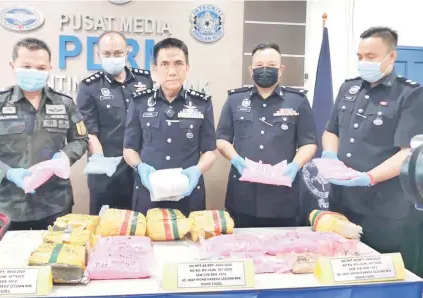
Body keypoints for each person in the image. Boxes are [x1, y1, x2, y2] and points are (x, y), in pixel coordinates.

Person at [322, 27, 423, 272]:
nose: (363, 62)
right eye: (359, 56)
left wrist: (369, 177)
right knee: (342, 270)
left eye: (371, 57)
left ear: (391, 57)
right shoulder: (349, 89)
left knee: (387, 275)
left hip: (386, 209)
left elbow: (407, 152)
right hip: (343, 204)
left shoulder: (410, 94)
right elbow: (331, 131)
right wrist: (330, 155)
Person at [0, 38, 89, 230]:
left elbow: (80, 139)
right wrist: (8, 173)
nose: (34, 72)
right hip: (7, 206)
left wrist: (64, 156)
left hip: (55, 204)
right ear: (13, 66)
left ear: (49, 68)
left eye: (40, 68)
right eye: (26, 66)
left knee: (54, 258)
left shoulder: (64, 103)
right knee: (8, 260)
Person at [216, 42, 317, 228]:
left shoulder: (298, 101)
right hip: (243, 193)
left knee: (283, 252)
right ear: (250, 69)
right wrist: (236, 159)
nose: (265, 70)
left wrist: (295, 165)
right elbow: (222, 139)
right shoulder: (235, 99)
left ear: (281, 69)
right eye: (259, 66)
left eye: (271, 66)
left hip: (283, 195)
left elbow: (309, 143)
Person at [123, 37, 217, 216]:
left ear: (187, 68)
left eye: (178, 64)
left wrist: (197, 171)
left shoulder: (202, 103)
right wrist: (140, 167)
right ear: (154, 69)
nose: (172, 71)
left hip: (188, 195)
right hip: (148, 193)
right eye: (165, 64)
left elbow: (210, 151)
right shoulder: (139, 102)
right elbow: (129, 149)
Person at [76, 31, 153, 215]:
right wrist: (101, 161)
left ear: (127, 52)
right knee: (106, 225)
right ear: (99, 55)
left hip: (139, 166)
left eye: (118, 53)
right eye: (107, 54)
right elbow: (89, 131)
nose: (113, 58)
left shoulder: (144, 80)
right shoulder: (89, 87)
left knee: (137, 222)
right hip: (107, 168)